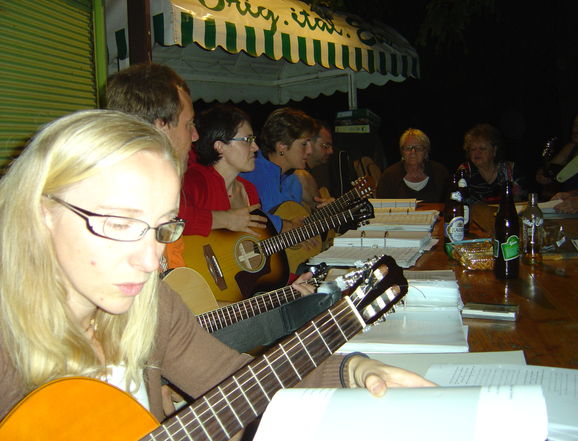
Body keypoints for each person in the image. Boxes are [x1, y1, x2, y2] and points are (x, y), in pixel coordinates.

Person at [0, 109, 433, 425]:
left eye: (164, 227)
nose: (151, 260)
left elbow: (237, 376)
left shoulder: (151, 308)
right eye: (120, 223)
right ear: (43, 213)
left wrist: (352, 371)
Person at [106, 63, 261, 244]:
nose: (195, 136)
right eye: (188, 124)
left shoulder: (157, 183)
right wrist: (224, 219)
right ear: (160, 126)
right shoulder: (119, 197)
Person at [164, 104, 267, 268]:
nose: (256, 148)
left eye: (254, 140)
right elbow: (170, 217)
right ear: (219, 146)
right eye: (248, 140)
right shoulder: (194, 181)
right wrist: (226, 219)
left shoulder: (249, 190)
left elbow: (251, 250)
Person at [240, 107, 317, 232]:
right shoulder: (251, 173)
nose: (310, 151)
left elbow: (295, 223)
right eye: (304, 144)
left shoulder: (293, 179)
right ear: (282, 146)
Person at [456, 123, 527, 204]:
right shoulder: (464, 171)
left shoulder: (510, 170)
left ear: (494, 150)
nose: (477, 153)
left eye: (482, 148)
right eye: (473, 149)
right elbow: (458, 201)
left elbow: (524, 200)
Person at [376, 128, 449, 202]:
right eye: (408, 148)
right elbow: (380, 208)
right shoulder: (389, 176)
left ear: (426, 152)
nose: (413, 152)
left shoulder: (440, 173)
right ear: (402, 152)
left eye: (418, 148)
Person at [536, 111, 578, 194]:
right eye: (575, 124)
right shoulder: (570, 148)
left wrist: (570, 194)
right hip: (565, 203)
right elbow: (551, 170)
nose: (576, 129)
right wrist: (543, 175)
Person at [294, 120, 335, 209]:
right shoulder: (300, 176)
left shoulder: (313, 172)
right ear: (309, 143)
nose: (331, 151)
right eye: (325, 146)